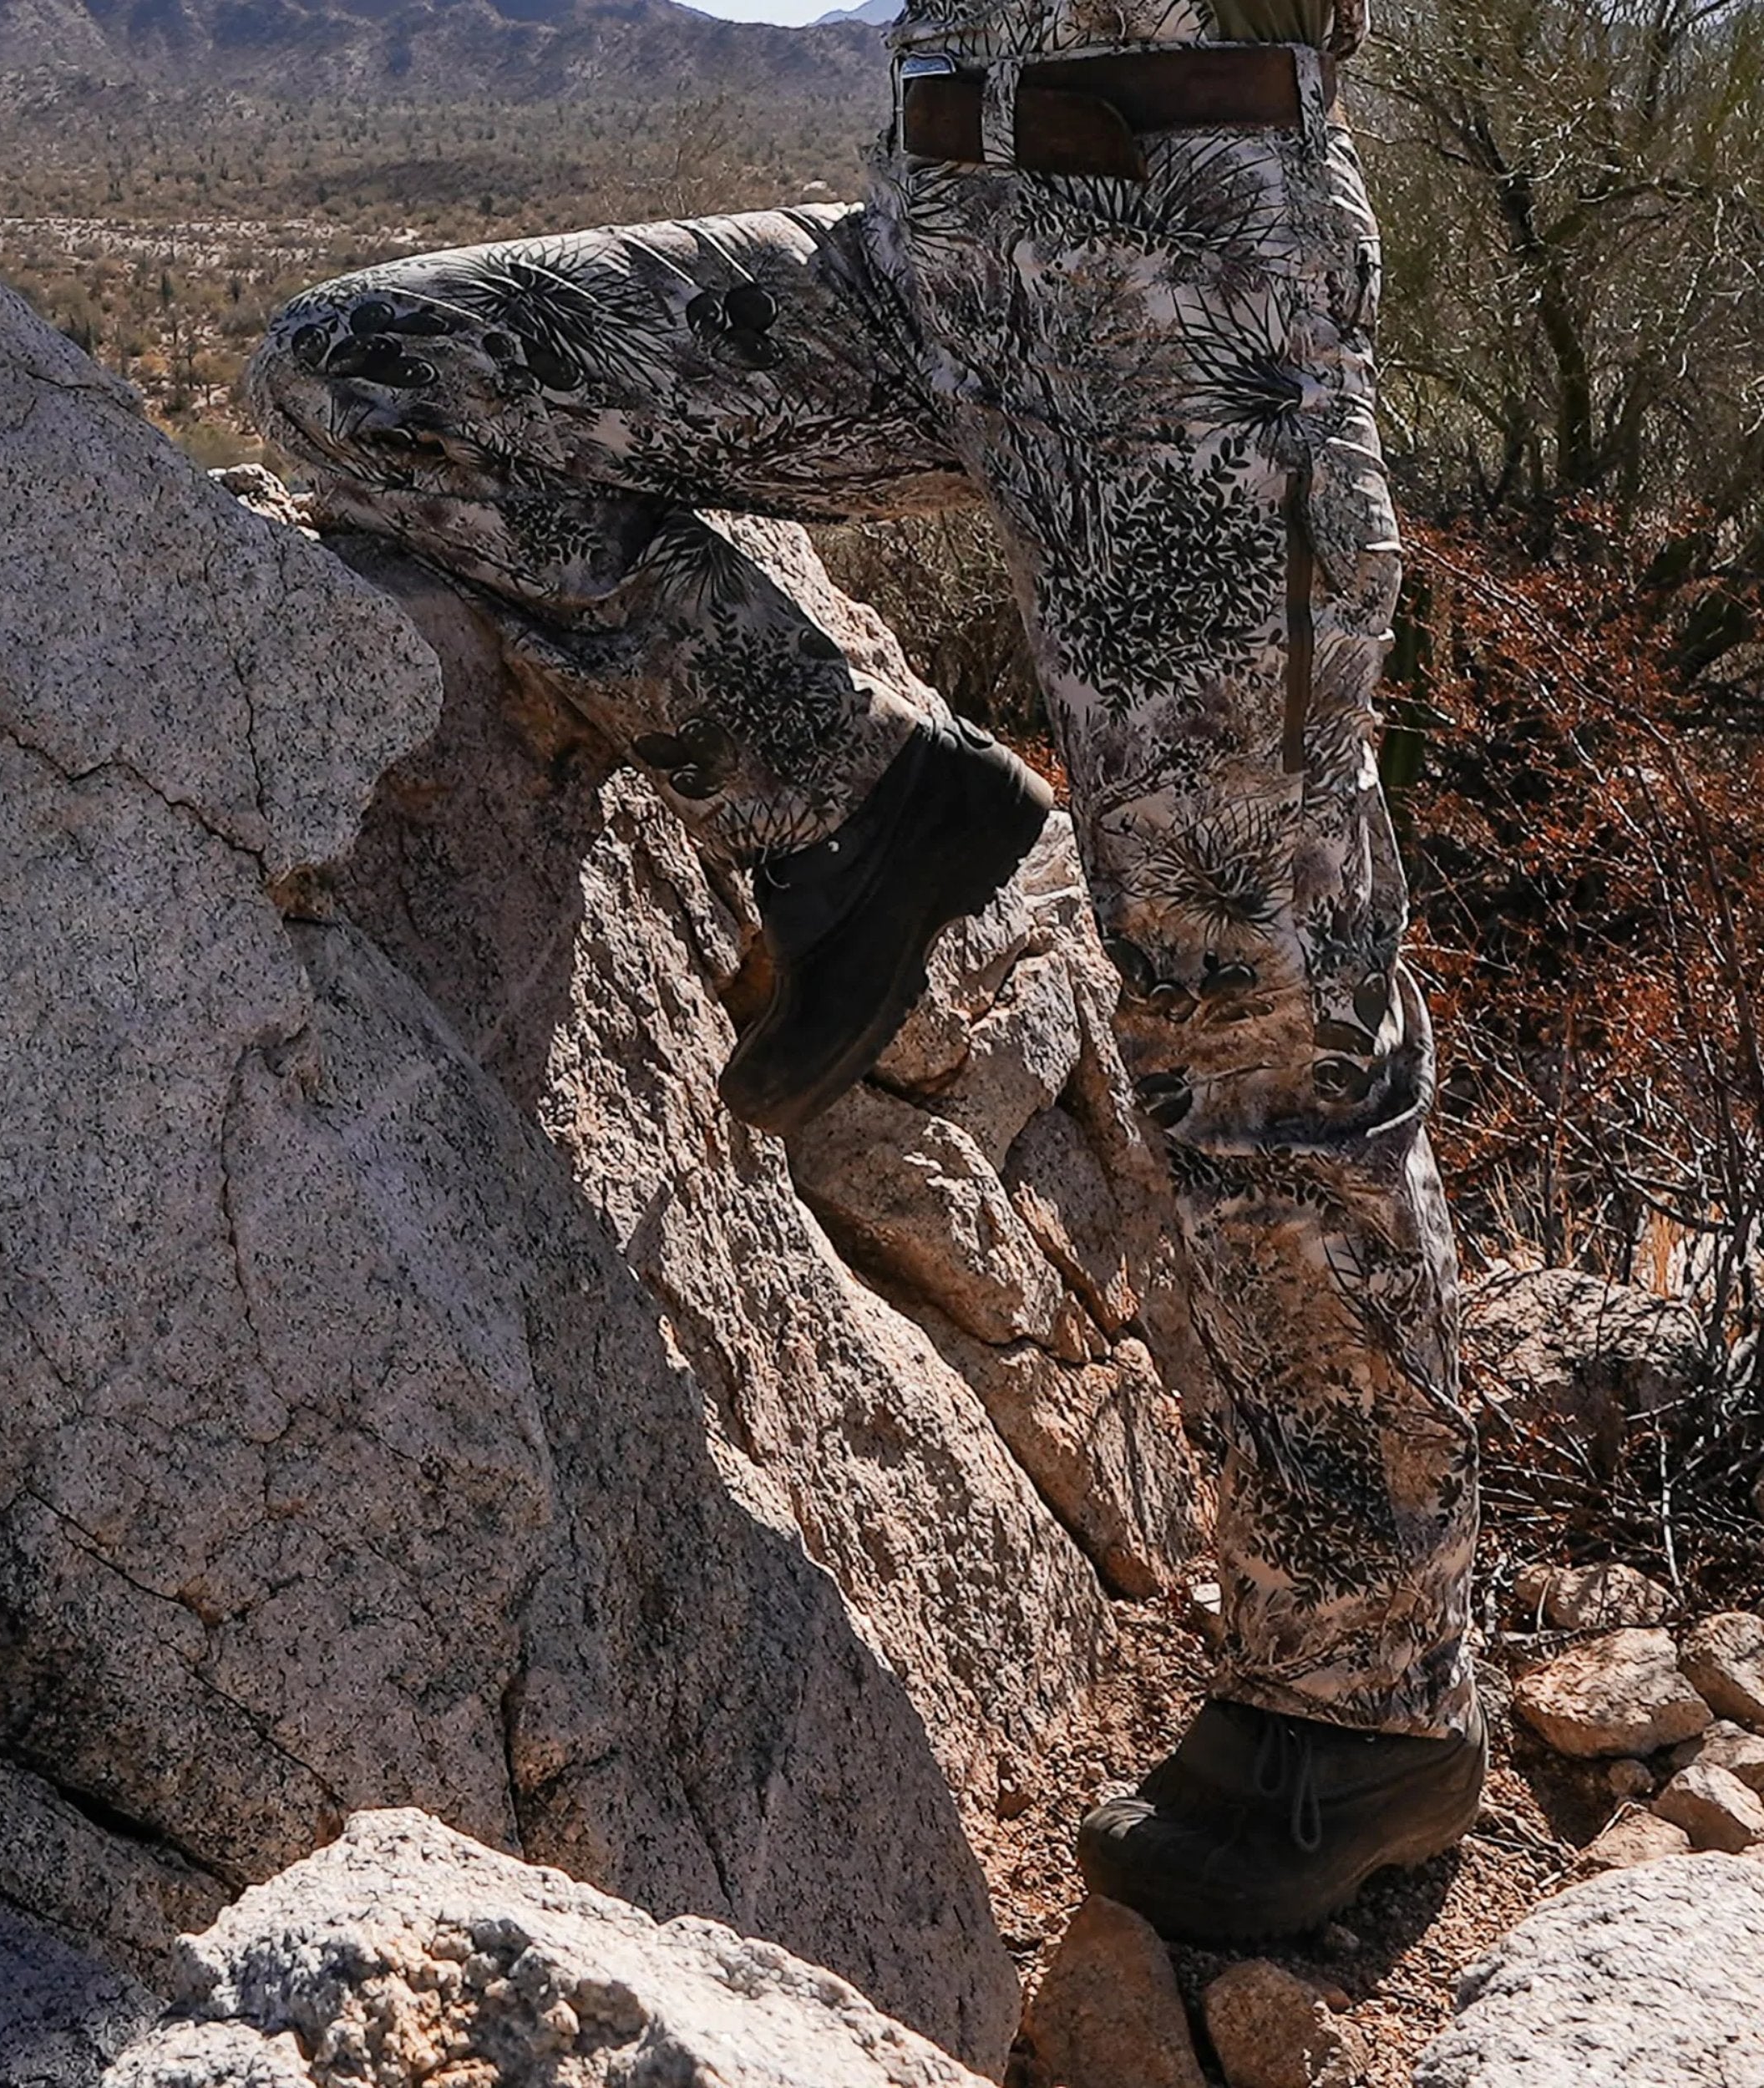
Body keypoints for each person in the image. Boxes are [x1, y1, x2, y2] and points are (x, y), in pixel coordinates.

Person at [248, 0, 1484, 1943]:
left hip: (1186, 273)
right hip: (925, 248)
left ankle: (1367, 1696)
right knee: (373, 371)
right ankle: (840, 795)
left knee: (1249, 1028)